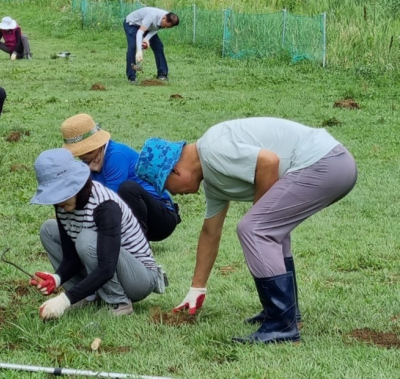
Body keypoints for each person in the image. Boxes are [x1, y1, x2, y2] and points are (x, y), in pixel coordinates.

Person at [135, 117, 357, 344]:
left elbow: (268, 161)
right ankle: (286, 314)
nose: (173, 193)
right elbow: (210, 232)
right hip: (333, 163)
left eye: (166, 187)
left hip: (326, 163)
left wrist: (260, 220)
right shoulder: (213, 178)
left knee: (255, 229)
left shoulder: (212, 150)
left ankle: (282, 326)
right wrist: (197, 288)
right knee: (269, 231)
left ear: (174, 171)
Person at [29, 148, 167, 320]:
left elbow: (106, 268)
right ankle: (87, 297)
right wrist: (56, 278)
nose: (57, 202)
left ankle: (120, 303)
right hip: (106, 264)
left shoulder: (105, 205)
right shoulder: (63, 206)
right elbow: (70, 258)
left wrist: (64, 300)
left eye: (60, 194)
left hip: (139, 278)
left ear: (76, 185)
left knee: (86, 239)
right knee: (48, 229)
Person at [60, 113, 180, 242]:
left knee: (127, 189)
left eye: (79, 152)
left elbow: (110, 201)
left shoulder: (116, 155)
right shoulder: (88, 163)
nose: (78, 156)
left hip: (162, 218)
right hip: (133, 217)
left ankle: (137, 243)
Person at [124, 7, 179, 84]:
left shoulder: (165, 19)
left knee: (158, 46)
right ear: (164, 18)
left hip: (147, 27)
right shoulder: (152, 16)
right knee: (132, 47)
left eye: (167, 27)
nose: (165, 27)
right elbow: (140, 32)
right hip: (132, 24)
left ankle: (162, 74)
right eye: (165, 25)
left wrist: (146, 39)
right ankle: (132, 77)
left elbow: (155, 28)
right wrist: (139, 50)